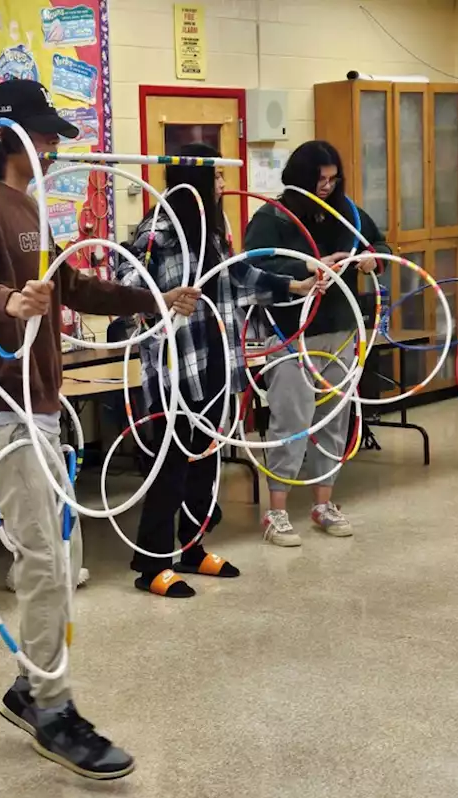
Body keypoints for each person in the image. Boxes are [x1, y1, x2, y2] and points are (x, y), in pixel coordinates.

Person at [0, 78, 199, 779]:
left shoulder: (28, 205)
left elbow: (69, 286)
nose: (56, 146)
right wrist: (8, 300)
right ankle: (52, 708)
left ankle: (30, 687)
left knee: (65, 554)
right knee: (44, 560)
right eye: (44, 134)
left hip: (43, 407)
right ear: (7, 137)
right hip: (2, 409)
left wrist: (150, 298)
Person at [119, 143, 324, 596]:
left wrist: (295, 284)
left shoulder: (211, 231)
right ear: (193, 182)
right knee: (171, 465)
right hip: (178, 367)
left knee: (205, 463)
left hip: (216, 360)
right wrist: (163, 301)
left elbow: (239, 276)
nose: (224, 186)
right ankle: (151, 563)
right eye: (216, 179)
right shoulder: (159, 230)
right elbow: (127, 288)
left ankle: (192, 549)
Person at [242, 140, 386, 547]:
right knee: (292, 421)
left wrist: (368, 260)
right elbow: (252, 264)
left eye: (332, 178)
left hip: (341, 330)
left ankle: (323, 504)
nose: (326, 186)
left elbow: (381, 247)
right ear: (301, 178)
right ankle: (277, 512)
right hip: (292, 333)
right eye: (319, 179)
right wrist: (304, 266)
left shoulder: (348, 211)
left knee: (334, 420)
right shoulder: (274, 217)